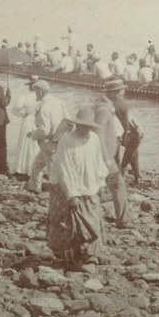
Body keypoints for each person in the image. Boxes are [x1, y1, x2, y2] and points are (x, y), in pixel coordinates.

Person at [47, 108, 108, 269]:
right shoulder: (66, 141)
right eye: (81, 126)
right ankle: (70, 258)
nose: (85, 129)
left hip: (89, 187)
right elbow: (64, 168)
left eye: (88, 126)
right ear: (76, 125)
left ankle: (88, 254)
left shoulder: (93, 139)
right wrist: (72, 194)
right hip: (67, 188)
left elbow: (98, 161)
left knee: (92, 222)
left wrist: (101, 183)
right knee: (68, 224)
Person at [94, 82, 131, 229]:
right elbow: (99, 133)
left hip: (106, 154)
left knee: (98, 187)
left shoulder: (105, 105)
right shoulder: (103, 109)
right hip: (105, 156)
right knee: (118, 185)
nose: (122, 95)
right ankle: (123, 221)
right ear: (112, 93)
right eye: (120, 93)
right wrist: (106, 158)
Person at [27, 80, 69, 193]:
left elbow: (44, 131)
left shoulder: (44, 108)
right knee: (38, 163)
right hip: (59, 139)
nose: (35, 94)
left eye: (35, 92)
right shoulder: (59, 102)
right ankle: (34, 188)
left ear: (40, 91)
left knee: (53, 170)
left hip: (48, 142)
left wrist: (32, 135)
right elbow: (68, 120)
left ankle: (58, 193)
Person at [108, 78, 143, 185]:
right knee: (131, 153)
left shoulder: (105, 103)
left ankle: (128, 176)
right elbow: (125, 123)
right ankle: (132, 177)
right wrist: (124, 136)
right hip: (124, 133)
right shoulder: (122, 104)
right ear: (117, 91)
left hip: (111, 133)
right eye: (122, 89)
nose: (124, 91)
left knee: (116, 157)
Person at [12, 75, 41, 178]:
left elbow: (14, 110)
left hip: (28, 121)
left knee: (25, 144)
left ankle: (22, 168)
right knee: (36, 145)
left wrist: (22, 115)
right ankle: (35, 169)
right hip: (39, 122)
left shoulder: (25, 97)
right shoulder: (41, 99)